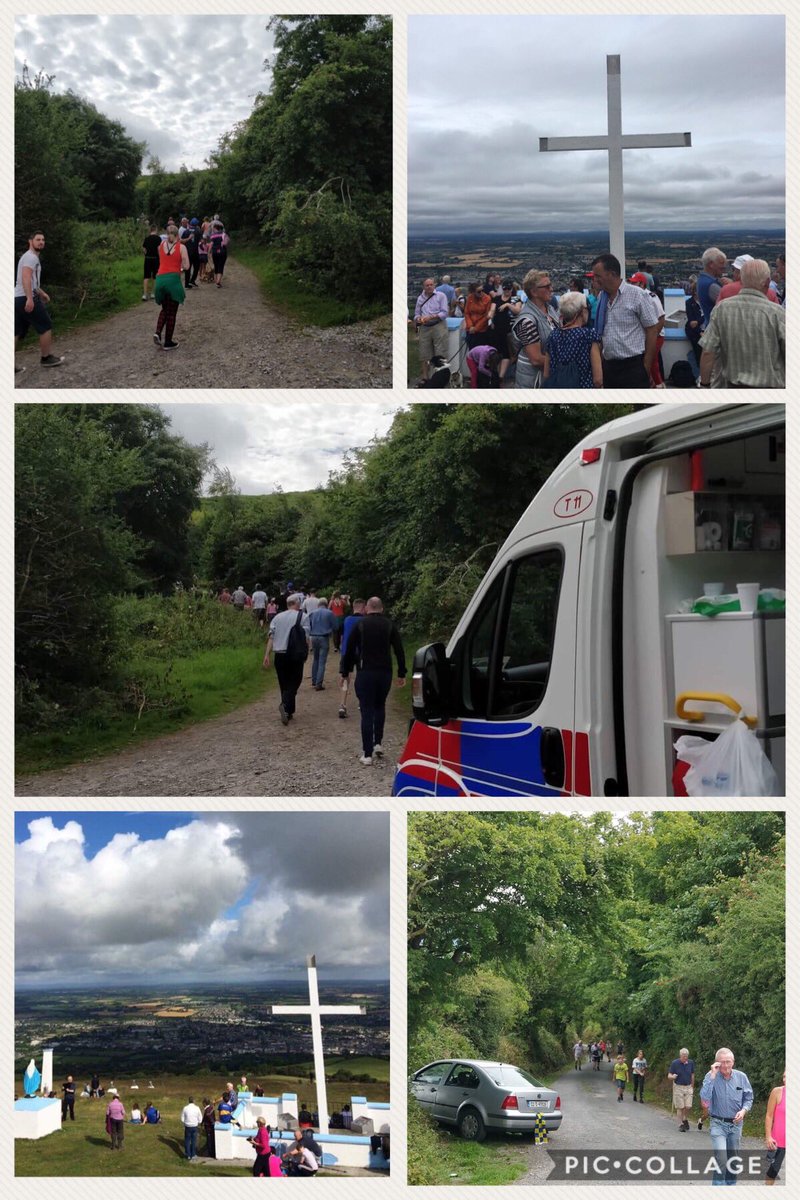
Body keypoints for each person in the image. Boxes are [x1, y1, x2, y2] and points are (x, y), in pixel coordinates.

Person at [340, 596, 406, 765]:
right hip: (385, 672)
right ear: (382, 608)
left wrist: (345, 671)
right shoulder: (390, 625)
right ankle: (378, 743)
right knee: (380, 706)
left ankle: (367, 754)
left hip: (366, 672)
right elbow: (399, 649)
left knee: (366, 710)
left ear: (366, 609)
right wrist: (401, 672)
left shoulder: (360, 625)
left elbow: (348, 650)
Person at [699, 259, 785, 388]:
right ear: (767, 282)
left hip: (733, 388)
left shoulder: (722, 309)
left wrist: (705, 384)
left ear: (741, 280)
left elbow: (708, 352)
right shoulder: (777, 313)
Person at [590, 253, 659, 387]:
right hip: (610, 367)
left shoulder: (637, 295)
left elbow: (652, 329)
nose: (595, 280)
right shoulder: (601, 298)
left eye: (598, 276)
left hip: (633, 367)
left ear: (612, 274)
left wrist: (646, 366)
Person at [699, 1047, 753, 1187]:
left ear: (733, 1062)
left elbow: (748, 1098)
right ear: (716, 1063)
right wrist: (712, 1076)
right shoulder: (710, 1076)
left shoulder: (742, 1077)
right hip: (718, 1124)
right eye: (721, 1062)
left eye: (728, 1061)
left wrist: (744, 1111)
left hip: (736, 1125)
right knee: (722, 1159)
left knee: (733, 1160)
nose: (725, 1065)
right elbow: (705, 1100)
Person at [14, 231, 64, 371]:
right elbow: (26, 278)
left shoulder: (28, 257)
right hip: (25, 297)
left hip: (16, 297)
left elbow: (30, 281)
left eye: (43, 239)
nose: (41, 242)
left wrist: (41, 293)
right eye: (38, 239)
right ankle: (46, 358)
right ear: (31, 241)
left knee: (15, 332)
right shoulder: (31, 258)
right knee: (46, 325)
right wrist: (30, 298)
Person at [264, 593, 309, 724]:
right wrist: (306, 652)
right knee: (295, 680)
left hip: (279, 654)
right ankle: (285, 705)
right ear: (297, 603)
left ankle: (289, 711)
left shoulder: (277, 618)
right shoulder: (303, 617)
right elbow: (306, 637)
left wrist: (267, 654)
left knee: (283, 683)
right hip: (295, 654)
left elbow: (271, 637)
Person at [543, 291, 602, 388]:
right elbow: (598, 380)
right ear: (582, 311)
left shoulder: (553, 335)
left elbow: (546, 374)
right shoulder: (589, 336)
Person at [512, 269, 559, 389]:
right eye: (547, 286)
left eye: (551, 285)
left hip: (548, 379)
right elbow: (536, 359)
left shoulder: (550, 310)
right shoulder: (526, 321)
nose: (551, 289)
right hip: (534, 383)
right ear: (534, 292)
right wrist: (565, 360)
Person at [153, 224, 189, 350]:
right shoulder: (181, 247)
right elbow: (187, 265)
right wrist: (181, 267)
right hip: (173, 281)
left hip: (160, 280)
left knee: (165, 309)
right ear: (177, 235)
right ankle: (168, 342)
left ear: (167, 234)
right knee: (172, 312)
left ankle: (157, 332)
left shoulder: (160, 246)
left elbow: (163, 260)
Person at [629, 272, 666, 386]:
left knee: (652, 362)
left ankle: (659, 387)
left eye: (634, 282)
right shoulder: (636, 297)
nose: (631, 285)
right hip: (646, 336)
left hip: (656, 336)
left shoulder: (651, 297)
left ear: (641, 284)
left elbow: (661, 317)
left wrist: (653, 337)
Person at [414, 277, 450, 379]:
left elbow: (444, 313)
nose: (429, 287)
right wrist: (419, 319)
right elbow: (416, 314)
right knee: (424, 353)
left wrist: (431, 316)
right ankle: (425, 377)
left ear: (434, 285)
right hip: (425, 327)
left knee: (440, 352)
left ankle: (440, 377)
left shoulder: (441, 296)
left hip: (438, 325)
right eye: (427, 285)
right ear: (424, 287)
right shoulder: (420, 299)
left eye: (431, 285)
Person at [490, 280, 522, 383]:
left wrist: (508, 305)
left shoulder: (515, 299)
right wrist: (490, 317)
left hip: (510, 332)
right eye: (505, 289)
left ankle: (502, 377)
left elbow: (517, 311)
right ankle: (498, 376)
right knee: (497, 354)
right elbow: (492, 310)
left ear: (512, 289)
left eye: (509, 289)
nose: (507, 291)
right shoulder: (497, 298)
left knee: (509, 354)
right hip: (497, 331)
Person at [307, 597, 336, 690]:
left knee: (315, 659)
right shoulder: (329, 613)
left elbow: (308, 625)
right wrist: (330, 629)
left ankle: (314, 680)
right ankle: (319, 684)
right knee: (322, 661)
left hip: (314, 637)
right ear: (326, 604)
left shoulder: (312, 613)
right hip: (324, 637)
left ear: (318, 604)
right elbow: (336, 626)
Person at [764, 1069, 785, 1185]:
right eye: (784, 1076)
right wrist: (768, 1137)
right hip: (779, 1142)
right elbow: (769, 1115)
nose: (785, 1080)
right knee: (772, 1172)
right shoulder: (777, 1092)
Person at [668, 1047, 696, 1132]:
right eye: (684, 1056)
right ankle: (681, 1124)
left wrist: (692, 1085)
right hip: (678, 1087)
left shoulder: (690, 1063)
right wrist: (672, 1077)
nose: (685, 1058)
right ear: (680, 1056)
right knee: (680, 1107)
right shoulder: (675, 1063)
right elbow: (669, 1075)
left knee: (688, 1106)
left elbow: (692, 1074)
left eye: (686, 1056)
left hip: (688, 1087)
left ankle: (685, 1119)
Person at [697, 247, 728, 325]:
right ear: (711, 264)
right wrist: (730, 286)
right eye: (721, 263)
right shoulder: (711, 285)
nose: (724, 266)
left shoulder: (702, 279)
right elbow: (730, 306)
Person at [464, 281, 495, 351]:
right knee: (471, 351)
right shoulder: (470, 297)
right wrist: (470, 326)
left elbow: (486, 316)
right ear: (473, 292)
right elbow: (467, 313)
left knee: (481, 352)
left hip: (482, 330)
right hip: (470, 329)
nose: (481, 293)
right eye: (479, 291)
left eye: (482, 290)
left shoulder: (487, 298)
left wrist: (476, 328)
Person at [684, 276, 704, 380]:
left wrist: (700, 320)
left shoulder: (705, 301)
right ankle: (699, 376)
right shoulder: (689, 303)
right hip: (694, 332)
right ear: (694, 292)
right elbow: (692, 323)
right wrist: (700, 331)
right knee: (698, 352)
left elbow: (707, 316)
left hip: (705, 330)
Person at [142, 224, 161, 301]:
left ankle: (145, 294)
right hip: (155, 258)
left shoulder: (146, 239)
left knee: (146, 276)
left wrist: (146, 254)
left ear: (150, 230)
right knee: (155, 276)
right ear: (155, 230)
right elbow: (159, 249)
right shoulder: (158, 238)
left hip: (147, 259)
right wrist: (161, 258)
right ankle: (153, 293)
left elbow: (144, 249)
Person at [181, 1095, 203, 1160]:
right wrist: (198, 1122)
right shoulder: (197, 1108)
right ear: (194, 1101)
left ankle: (188, 1154)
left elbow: (182, 1118)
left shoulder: (185, 1108)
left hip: (187, 1126)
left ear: (189, 1101)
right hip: (194, 1126)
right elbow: (200, 1118)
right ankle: (193, 1154)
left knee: (187, 1140)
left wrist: (185, 1122)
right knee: (194, 1140)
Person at [208, 222, 228, 287]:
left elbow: (211, 244)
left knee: (216, 265)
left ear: (216, 228)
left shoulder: (212, 235)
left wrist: (209, 252)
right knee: (221, 266)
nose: (212, 229)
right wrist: (222, 244)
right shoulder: (224, 234)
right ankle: (218, 282)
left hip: (214, 252)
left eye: (213, 228)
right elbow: (225, 243)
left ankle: (216, 280)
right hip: (222, 252)